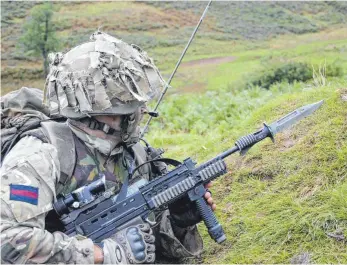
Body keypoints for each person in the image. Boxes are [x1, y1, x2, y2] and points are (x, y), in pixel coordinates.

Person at [0, 31, 216, 264]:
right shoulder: (40, 154)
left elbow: (145, 239)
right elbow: (8, 243)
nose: (141, 110)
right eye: (132, 102)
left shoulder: (134, 153)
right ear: (107, 109)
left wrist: (178, 220)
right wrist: (99, 255)